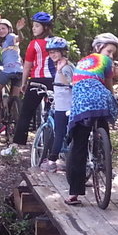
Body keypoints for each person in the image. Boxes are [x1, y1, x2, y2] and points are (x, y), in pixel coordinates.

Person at [63, 33, 118, 205]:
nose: (110, 56)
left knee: (79, 147)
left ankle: (73, 193)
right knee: (104, 124)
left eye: (112, 54)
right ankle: (104, 158)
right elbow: (108, 85)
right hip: (99, 99)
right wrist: (113, 97)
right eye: (109, 51)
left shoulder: (82, 61)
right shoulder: (107, 62)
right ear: (99, 48)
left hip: (80, 102)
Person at [11, 12, 55, 147]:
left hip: (37, 80)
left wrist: (24, 83)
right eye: (33, 26)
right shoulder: (57, 42)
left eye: (37, 26)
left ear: (45, 28)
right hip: (54, 81)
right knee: (53, 112)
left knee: (26, 112)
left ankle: (17, 144)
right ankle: (52, 144)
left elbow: (27, 66)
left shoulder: (34, 44)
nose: (33, 28)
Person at [0, 17, 24, 139]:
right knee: (14, 98)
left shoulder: (11, 37)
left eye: (3, 28)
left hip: (9, 71)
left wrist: (19, 31)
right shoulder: (4, 42)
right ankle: (16, 126)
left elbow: (19, 38)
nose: (1, 31)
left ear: (9, 29)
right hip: (19, 72)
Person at [40, 37, 74, 172]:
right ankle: (67, 160)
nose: (52, 54)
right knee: (67, 134)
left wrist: (59, 71)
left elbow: (70, 84)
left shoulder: (65, 67)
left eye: (56, 52)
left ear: (63, 52)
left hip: (65, 106)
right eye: (50, 52)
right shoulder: (64, 65)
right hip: (63, 103)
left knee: (59, 133)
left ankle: (52, 161)